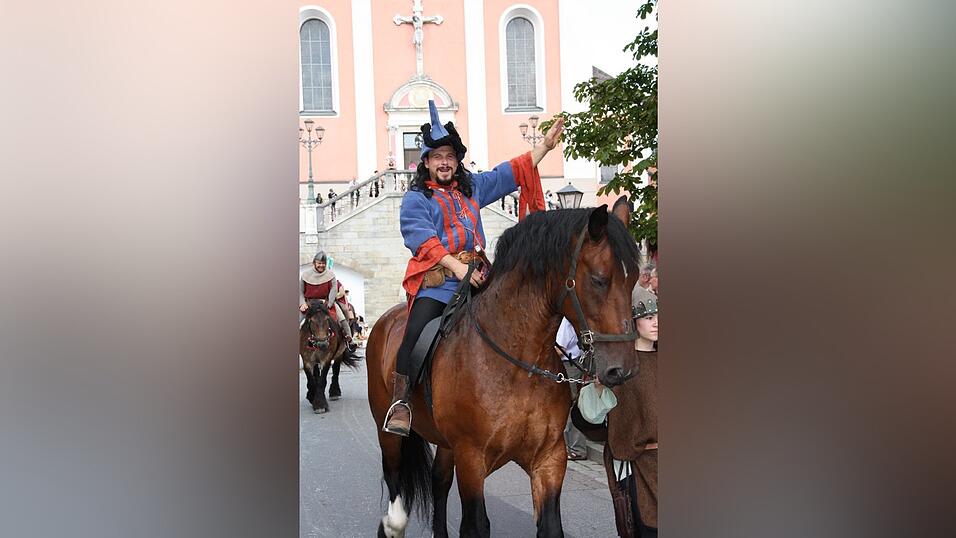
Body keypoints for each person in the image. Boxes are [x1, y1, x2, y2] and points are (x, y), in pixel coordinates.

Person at [381, 99, 563, 436]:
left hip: (479, 277)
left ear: (457, 161)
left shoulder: (472, 188)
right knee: (414, 334)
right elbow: (423, 240)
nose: (444, 162)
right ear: (426, 162)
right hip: (439, 284)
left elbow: (509, 173)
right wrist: (457, 268)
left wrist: (545, 147)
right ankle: (402, 402)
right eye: (438, 157)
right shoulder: (416, 199)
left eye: (450, 156)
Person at [573, 286, 658, 537]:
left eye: (658, 316)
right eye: (648, 317)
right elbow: (590, 420)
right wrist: (598, 387)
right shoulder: (618, 368)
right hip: (638, 466)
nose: (656, 323)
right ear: (632, 322)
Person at [299, 251, 358, 354]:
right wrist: (302, 303)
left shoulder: (330, 275)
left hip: (325, 303)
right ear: (314, 263)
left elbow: (333, 290)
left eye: (323, 263)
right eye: (319, 263)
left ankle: (349, 339)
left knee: (342, 318)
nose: (321, 265)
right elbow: (300, 291)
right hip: (309, 303)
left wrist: (329, 303)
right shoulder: (305, 275)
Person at [555, 317, 588, 461]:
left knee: (569, 405)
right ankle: (571, 447)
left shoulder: (566, 321)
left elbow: (560, 349)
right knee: (569, 405)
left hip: (569, 365)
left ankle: (576, 448)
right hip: (573, 363)